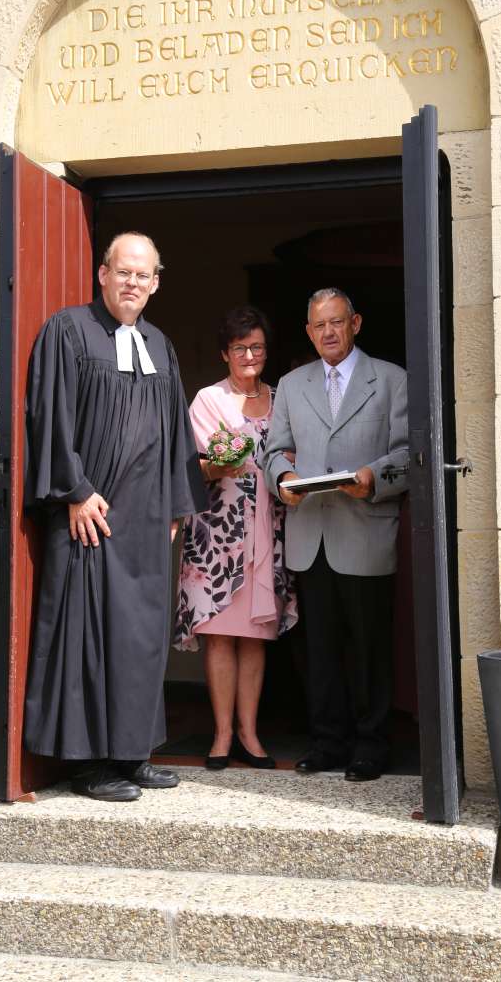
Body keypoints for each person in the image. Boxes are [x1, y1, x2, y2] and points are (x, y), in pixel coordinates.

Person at [23, 232, 207, 802]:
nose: (132, 282)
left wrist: (178, 502)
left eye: (143, 274)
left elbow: (176, 428)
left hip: (147, 520)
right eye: (122, 272)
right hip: (92, 516)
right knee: (90, 635)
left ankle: (132, 754)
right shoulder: (68, 329)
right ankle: (89, 764)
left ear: (156, 282)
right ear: (102, 274)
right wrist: (75, 490)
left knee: (141, 638)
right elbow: (47, 414)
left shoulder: (160, 344)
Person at [263, 288, 408, 782]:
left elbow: (409, 455)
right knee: (318, 649)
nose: (328, 332)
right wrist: (282, 480)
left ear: (356, 323)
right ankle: (326, 742)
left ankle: (371, 745)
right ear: (308, 331)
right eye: (319, 325)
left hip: (364, 530)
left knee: (368, 648)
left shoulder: (391, 380)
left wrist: (372, 478)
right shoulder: (289, 384)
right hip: (310, 532)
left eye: (337, 322)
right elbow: (275, 452)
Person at [175, 306, 298, 769]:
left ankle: (250, 732)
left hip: (270, 527)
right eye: (241, 348)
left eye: (258, 347)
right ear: (225, 353)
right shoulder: (208, 399)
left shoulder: (283, 396)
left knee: (254, 636)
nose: (250, 355)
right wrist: (218, 464)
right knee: (221, 636)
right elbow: (195, 464)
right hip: (217, 533)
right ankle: (222, 735)